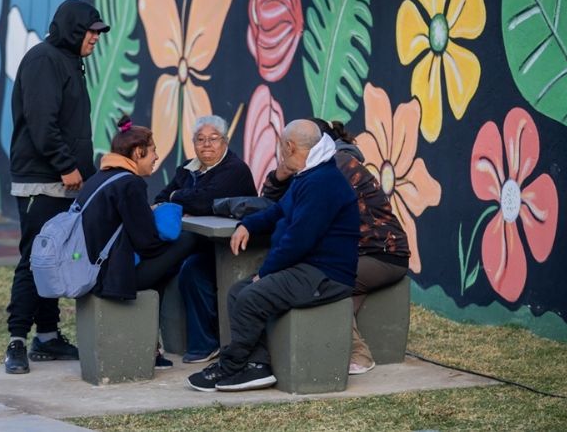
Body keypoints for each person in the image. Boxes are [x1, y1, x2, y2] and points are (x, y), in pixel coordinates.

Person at [186, 119, 360, 392]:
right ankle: (257, 367)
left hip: (324, 275)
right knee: (237, 292)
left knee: (252, 295)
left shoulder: (321, 182)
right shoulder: (309, 173)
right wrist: (248, 225)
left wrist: (265, 272)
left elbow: (298, 240)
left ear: (289, 146)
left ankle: (231, 366)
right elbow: (278, 210)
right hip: (306, 267)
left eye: (280, 146)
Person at [4, 0, 110, 375]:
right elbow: (41, 122)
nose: (96, 38)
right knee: (35, 259)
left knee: (51, 259)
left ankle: (47, 337)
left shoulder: (67, 61)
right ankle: (16, 341)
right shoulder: (44, 60)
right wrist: (66, 165)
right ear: (73, 29)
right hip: (42, 181)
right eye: (91, 31)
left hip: (62, 182)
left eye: (98, 32)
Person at [261, 119, 410, 375]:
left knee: (325, 282)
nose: (292, 150)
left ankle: (359, 355)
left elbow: (296, 215)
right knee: (328, 287)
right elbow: (278, 206)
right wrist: (279, 176)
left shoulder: (335, 167)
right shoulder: (318, 167)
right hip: (362, 253)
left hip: (381, 255)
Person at [81, 115, 200, 368]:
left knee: (164, 271)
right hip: (112, 278)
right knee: (189, 239)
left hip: (91, 270)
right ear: (138, 152)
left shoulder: (99, 178)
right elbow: (147, 243)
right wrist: (162, 217)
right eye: (153, 151)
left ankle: (153, 346)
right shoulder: (130, 183)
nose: (156, 157)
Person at [153, 115, 257, 364]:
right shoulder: (188, 169)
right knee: (161, 267)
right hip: (198, 242)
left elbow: (204, 200)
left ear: (225, 142)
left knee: (193, 270)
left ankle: (206, 344)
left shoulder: (235, 169)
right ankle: (163, 345)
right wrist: (186, 198)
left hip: (232, 248)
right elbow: (160, 197)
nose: (207, 145)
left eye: (213, 139)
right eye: (200, 140)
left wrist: (179, 196)